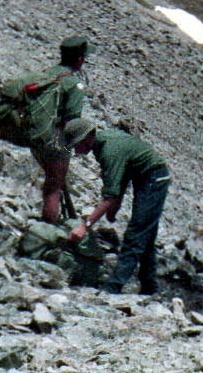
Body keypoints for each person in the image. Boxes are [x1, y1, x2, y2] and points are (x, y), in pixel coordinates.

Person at [64, 118, 171, 295]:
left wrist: (85, 225)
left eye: (77, 144)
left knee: (136, 234)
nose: (76, 150)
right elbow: (120, 177)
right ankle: (150, 288)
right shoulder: (102, 145)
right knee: (147, 235)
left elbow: (110, 196)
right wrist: (116, 206)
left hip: (154, 178)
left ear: (88, 137)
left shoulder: (109, 151)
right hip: (144, 177)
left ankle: (113, 287)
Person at [32, 35, 90, 223]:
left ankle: (48, 219)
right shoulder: (74, 84)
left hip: (36, 136)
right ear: (79, 59)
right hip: (57, 141)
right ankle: (48, 230)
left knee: (51, 180)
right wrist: (69, 149)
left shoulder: (47, 74)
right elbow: (72, 121)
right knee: (54, 186)